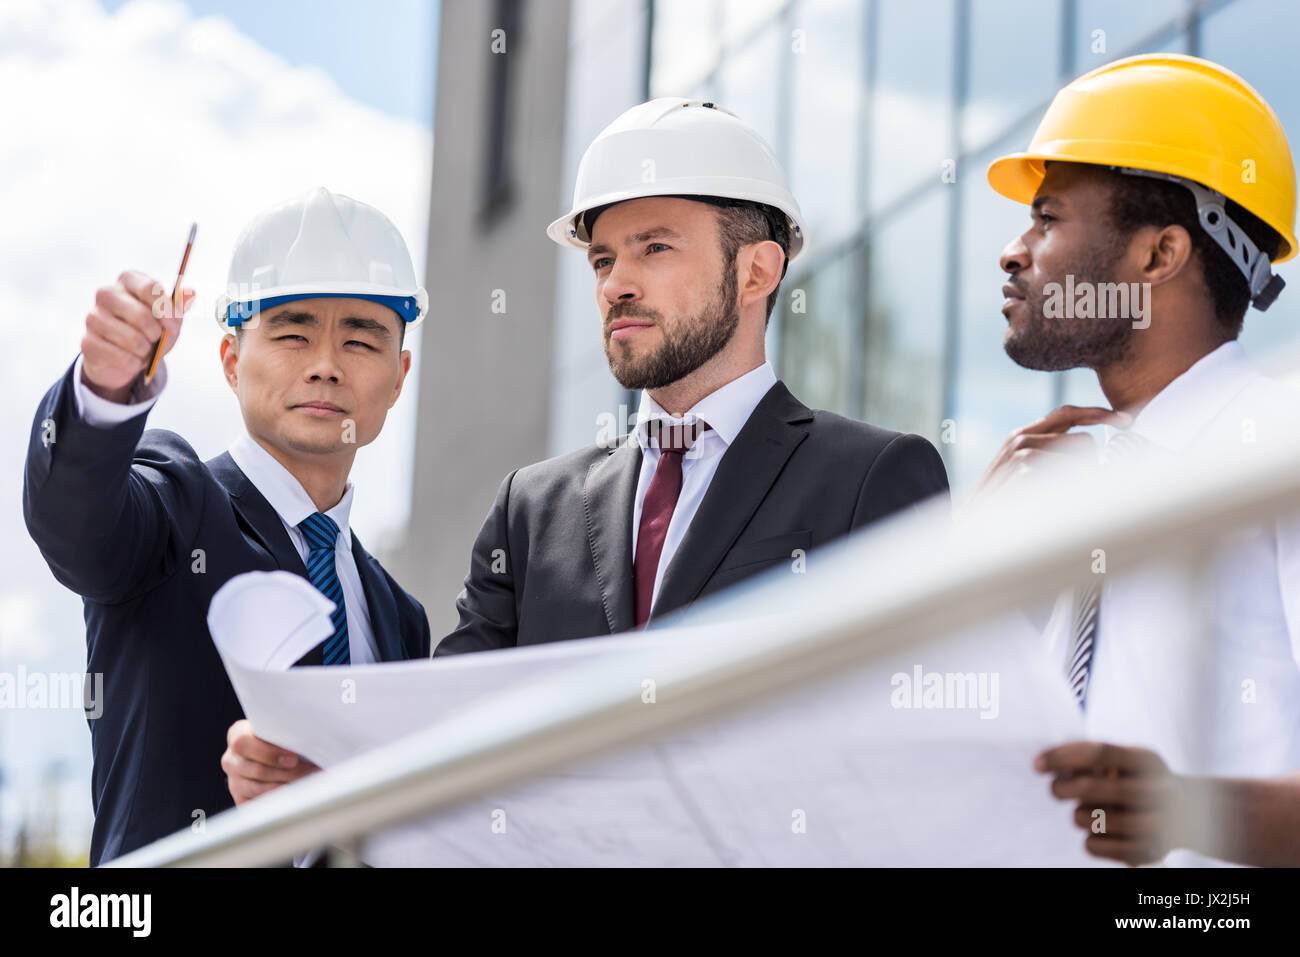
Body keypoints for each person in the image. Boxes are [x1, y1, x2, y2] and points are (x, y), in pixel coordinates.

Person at [223, 99, 951, 808]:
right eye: (602, 259)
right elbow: (440, 731)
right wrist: (319, 764)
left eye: (654, 248)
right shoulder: (533, 510)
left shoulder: (871, 478)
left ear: (757, 271)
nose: (616, 285)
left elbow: (919, 755)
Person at [23, 187, 432, 865]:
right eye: (293, 332)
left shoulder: (400, 616)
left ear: (398, 377)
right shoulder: (176, 505)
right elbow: (76, 524)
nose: (325, 362)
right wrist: (101, 395)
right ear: (231, 360)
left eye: (360, 337)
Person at [980, 53, 1300, 865]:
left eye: (1047, 218)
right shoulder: (1067, 483)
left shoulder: (1279, 449)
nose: (1014, 253)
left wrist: (1195, 812)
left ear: (1158, 257)